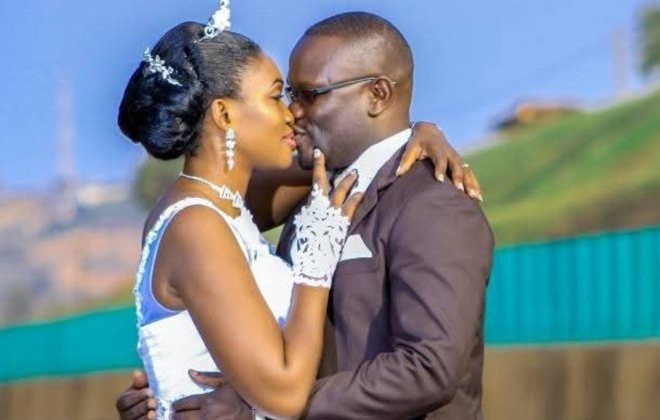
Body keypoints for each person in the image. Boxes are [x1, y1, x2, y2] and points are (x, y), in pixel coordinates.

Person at [118, 11, 492, 420]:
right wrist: (171, 390)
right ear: (224, 115)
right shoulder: (281, 198)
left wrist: (256, 406)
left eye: (308, 95)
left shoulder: (431, 202)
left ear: (378, 94)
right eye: (283, 95)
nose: (292, 112)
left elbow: (429, 368)